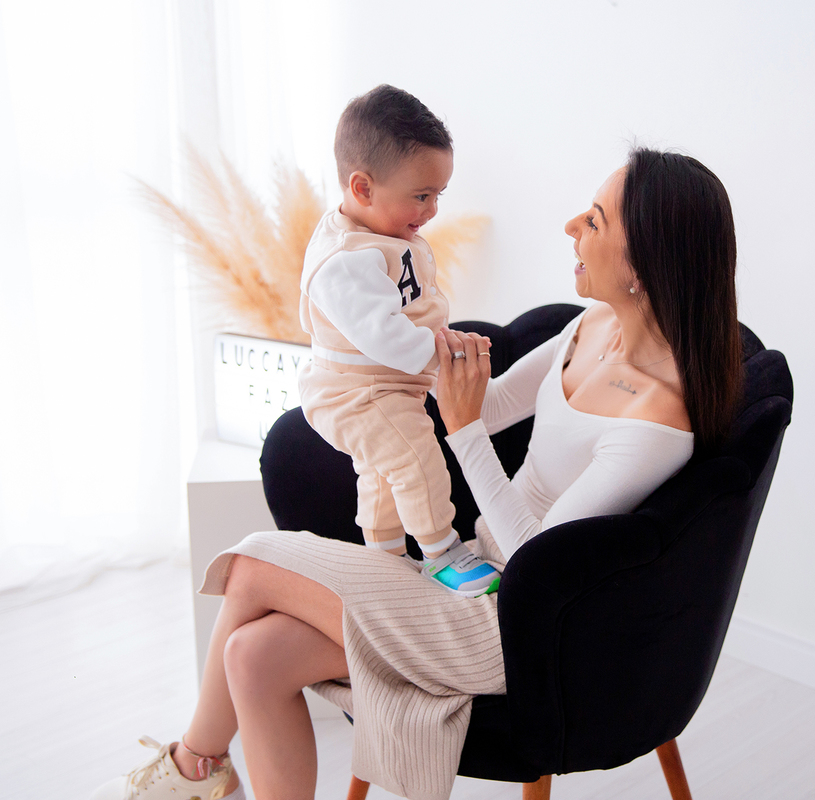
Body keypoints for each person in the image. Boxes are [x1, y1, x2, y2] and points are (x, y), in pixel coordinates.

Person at [90, 147, 742, 800]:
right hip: (475, 569)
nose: (573, 225)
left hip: (514, 623)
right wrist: (396, 368)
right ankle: (204, 773)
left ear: (645, 263)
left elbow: (542, 560)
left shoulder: (660, 414)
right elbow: (497, 398)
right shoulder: (593, 324)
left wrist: (462, 432)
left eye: (596, 221)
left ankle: (191, 768)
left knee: (254, 564)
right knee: (251, 657)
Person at [298, 83, 498, 597]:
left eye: (437, 195)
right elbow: (384, 335)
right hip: (357, 391)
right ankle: (441, 551)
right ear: (362, 188)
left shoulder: (385, 232)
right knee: (415, 460)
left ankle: (383, 558)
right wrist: (443, 358)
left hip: (384, 384)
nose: (431, 210)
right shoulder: (345, 261)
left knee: (385, 475)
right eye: (421, 196)